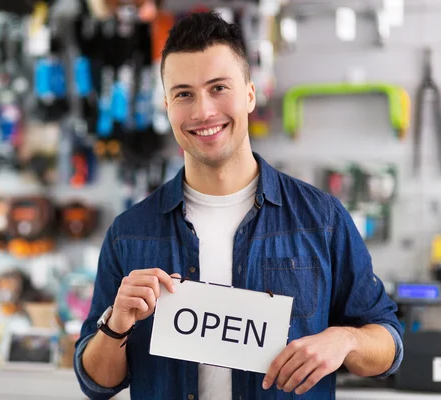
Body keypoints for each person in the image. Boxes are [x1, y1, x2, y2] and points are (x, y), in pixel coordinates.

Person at [74, 10, 403, 400]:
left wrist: (344, 340)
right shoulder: (128, 233)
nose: (203, 112)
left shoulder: (322, 220)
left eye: (218, 88)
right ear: (166, 106)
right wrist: (116, 325)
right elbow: (96, 384)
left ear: (249, 94)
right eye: (183, 94)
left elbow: (389, 345)